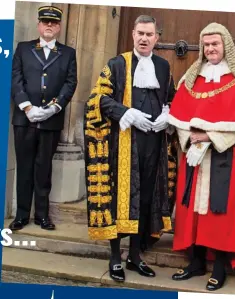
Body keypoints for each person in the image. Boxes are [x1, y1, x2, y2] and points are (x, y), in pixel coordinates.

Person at [167, 22, 235, 291]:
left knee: (222, 214)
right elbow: (179, 114)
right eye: (207, 44)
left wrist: (210, 137)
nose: (210, 49)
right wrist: (191, 137)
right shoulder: (192, 74)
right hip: (195, 155)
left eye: (215, 44)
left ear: (226, 46)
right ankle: (196, 262)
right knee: (193, 211)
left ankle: (219, 268)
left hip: (227, 156)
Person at [83, 15, 177, 283]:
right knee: (117, 199)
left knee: (145, 198)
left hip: (154, 143)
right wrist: (126, 112)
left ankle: (135, 256)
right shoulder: (116, 64)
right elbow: (97, 98)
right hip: (123, 143)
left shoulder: (164, 66)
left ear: (156, 38)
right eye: (140, 34)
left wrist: (168, 115)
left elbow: (172, 97)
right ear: (133, 35)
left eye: (150, 34)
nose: (145, 39)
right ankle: (115, 258)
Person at [9, 6, 77, 231]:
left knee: (44, 168)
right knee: (25, 166)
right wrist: (27, 107)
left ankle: (42, 215)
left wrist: (55, 107)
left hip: (51, 120)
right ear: (39, 24)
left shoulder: (68, 53)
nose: (49, 26)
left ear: (59, 27)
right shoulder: (24, 48)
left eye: (54, 23)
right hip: (24, 119)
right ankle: (21, 215)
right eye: (45, 22)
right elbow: (16, 78)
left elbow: (70, 83)